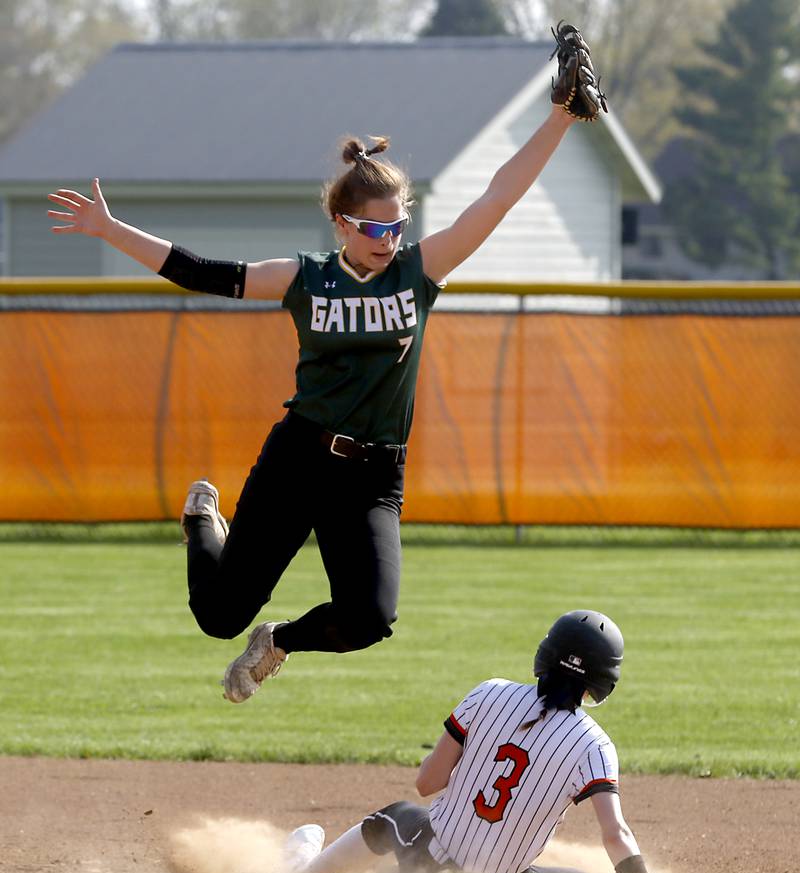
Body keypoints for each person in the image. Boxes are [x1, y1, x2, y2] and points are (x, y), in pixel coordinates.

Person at [47, 38, 596, 704]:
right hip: (300, 459)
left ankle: (275, 643)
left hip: (371, 477)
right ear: (342, 225)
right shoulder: (304, 278)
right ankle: (201, 524)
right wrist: (111, 230)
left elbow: (497, 197)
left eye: (398, 226)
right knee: (218, 615)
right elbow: (202, 273)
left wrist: (561, 118)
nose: (389, 240)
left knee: (370, 618)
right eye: (374, 229)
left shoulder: (419, 272)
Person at [281, 610, 717, 873]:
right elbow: (615, 834)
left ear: (544, 656)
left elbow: (427, 782)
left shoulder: (489, 692)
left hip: (426, 862)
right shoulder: (595, 746)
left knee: (400, 814)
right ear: (602, 683)